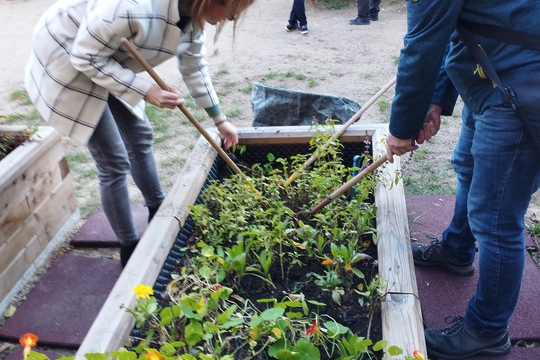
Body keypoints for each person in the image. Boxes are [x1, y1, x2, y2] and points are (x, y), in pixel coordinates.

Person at [25, 0, 254, 268]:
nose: (235, 16)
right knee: (113, 160)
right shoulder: (131, 9)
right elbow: (85, 57)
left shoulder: (191, 18)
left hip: (105, 57)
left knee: (140, 135)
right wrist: (145, 89)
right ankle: (129, 247)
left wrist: (220, 119)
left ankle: (158, 211)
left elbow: (194, 68)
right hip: (66, 56)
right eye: (234, 9)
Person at [385, 1, 540, 358]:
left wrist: (401, 128)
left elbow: (423, 44)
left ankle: (486, 330)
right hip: (491, 71)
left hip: (519, 82)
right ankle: (456, 250)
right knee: (468, 166)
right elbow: (453, 29)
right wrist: (436, 100)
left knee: (497, 219)